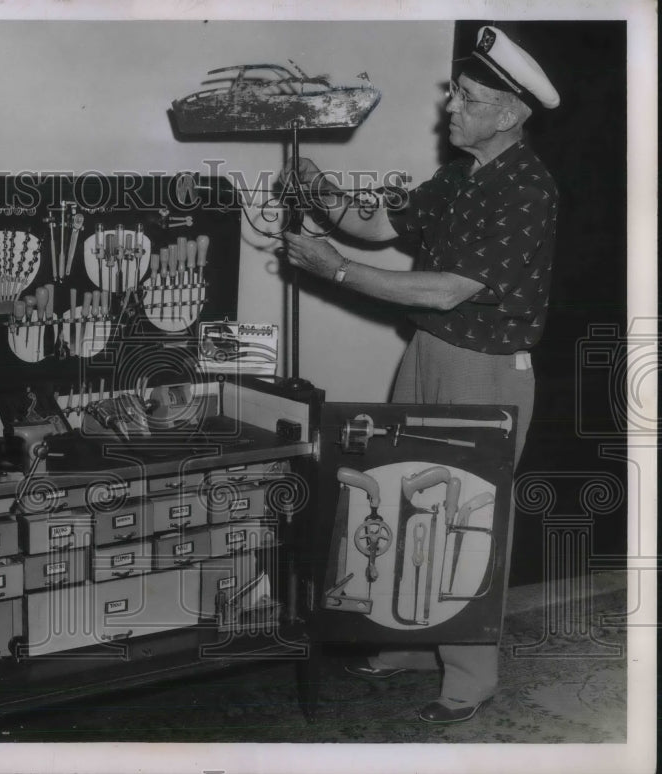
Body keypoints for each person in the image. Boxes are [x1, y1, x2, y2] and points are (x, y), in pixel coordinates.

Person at [281, 26, 560, 723]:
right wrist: (319, 191)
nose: (450, 109)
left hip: (486, 368)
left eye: (467, 98)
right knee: (404, 496)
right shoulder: (459, 176)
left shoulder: (529, 189)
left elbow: (446, 290)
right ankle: (409, 643)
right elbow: (378, 224)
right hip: (428, 354)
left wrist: (336, 271)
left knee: (468, 516)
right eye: (456, 94)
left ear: (510, 112)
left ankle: (469, 676)